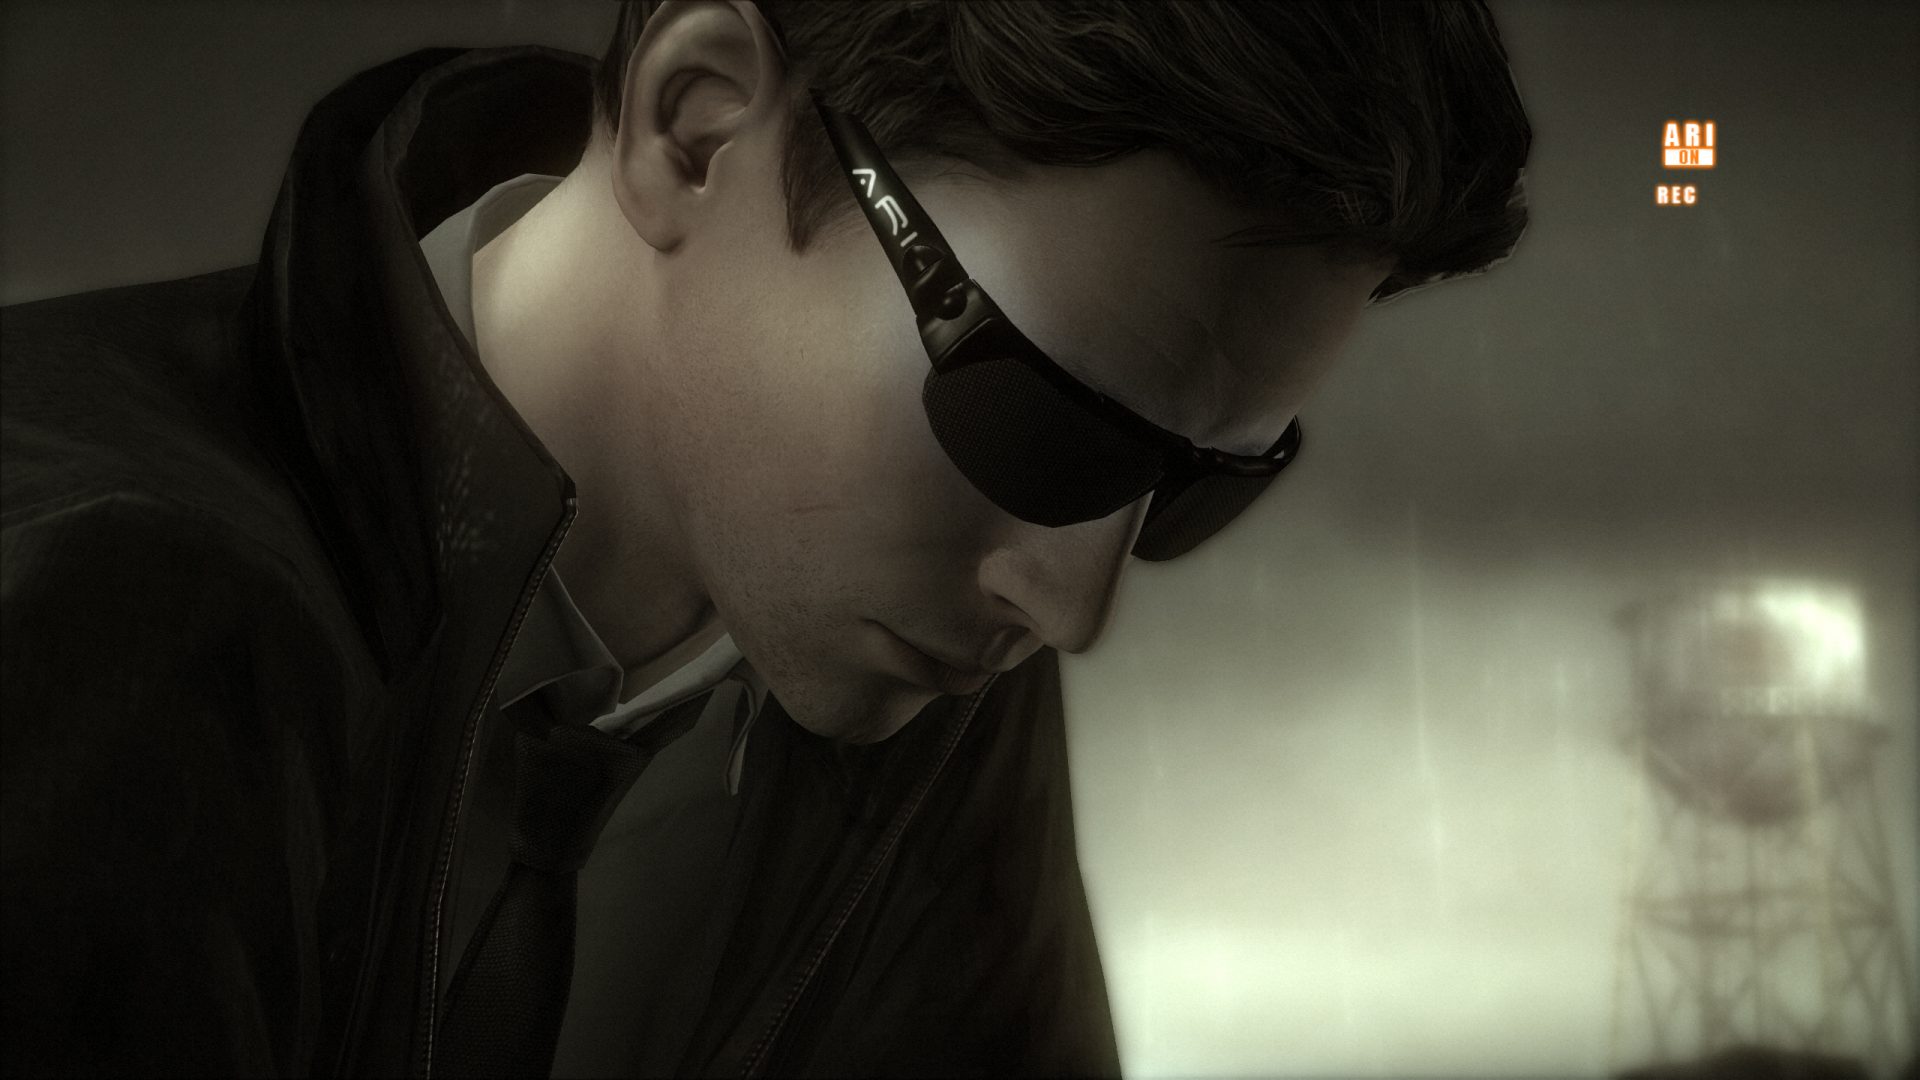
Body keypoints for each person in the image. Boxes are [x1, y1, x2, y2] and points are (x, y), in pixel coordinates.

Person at [0, 1, 1530, 1074]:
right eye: (1042, 430)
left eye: (1195, 486)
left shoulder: (926, 666)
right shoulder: (84, 599)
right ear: (700, 126)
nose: (1071, 606)